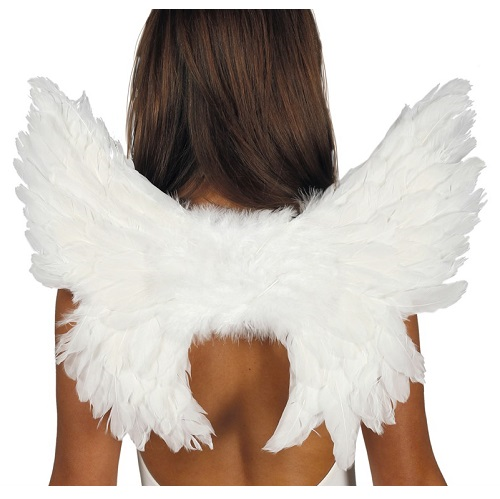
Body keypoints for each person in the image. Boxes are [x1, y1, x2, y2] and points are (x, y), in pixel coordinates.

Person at [14, 10, 485, 486]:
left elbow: (77, 484)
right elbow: (414, 482)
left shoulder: (104, 280)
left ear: (163, 80)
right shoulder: (369, 271)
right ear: (294, 83)